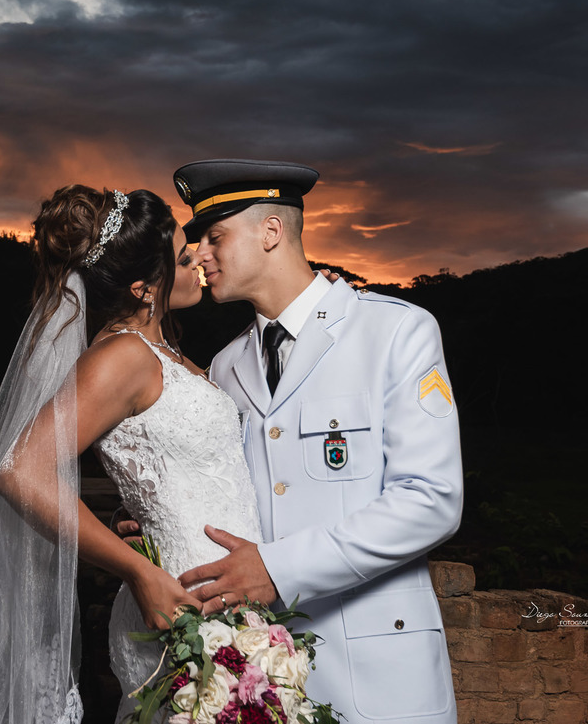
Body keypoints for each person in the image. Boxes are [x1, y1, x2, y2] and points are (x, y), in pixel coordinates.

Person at [0, 185, 263, 724]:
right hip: (179, 608)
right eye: (181, 255)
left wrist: (138, 510)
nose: (198, 255)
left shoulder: (163, 353)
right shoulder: (124, 355)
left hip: (229, 601)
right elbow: (21, 472)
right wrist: (137, 570)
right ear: (141, 288)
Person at [172, 158, 463, 724]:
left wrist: (281, 569)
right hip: (262, 678)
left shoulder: (396, 332)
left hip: (381, 676)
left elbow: (432, 500)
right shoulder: (225, 366)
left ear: (272, 232)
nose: (198, 255)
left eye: (214, 237)